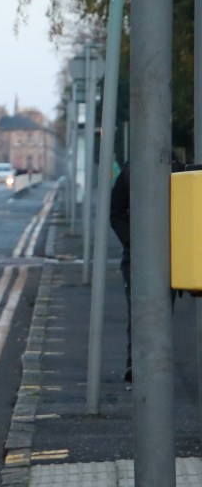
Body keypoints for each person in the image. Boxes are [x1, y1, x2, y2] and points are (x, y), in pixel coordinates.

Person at [109, 162, 132, 383]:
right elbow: (115, 213)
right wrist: (131, 240)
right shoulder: (129, 172)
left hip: (171, 253)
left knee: (164, 311)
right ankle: (134, 363)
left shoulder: (176, 168)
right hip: (134, 255)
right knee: (137, 309)